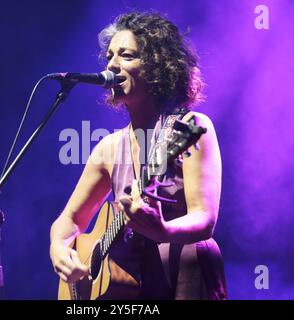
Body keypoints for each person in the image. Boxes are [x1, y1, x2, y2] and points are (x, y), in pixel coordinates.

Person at [49, 11, 227, 300]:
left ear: (158, 66)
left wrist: (164, 230)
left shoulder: (191, 128)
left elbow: (205, 218)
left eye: (126, 55)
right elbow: (69, 219)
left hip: (185, 272)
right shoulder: (108, 148)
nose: (111, 64)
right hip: (131, 287)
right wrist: (59, 248)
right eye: (109, 56)